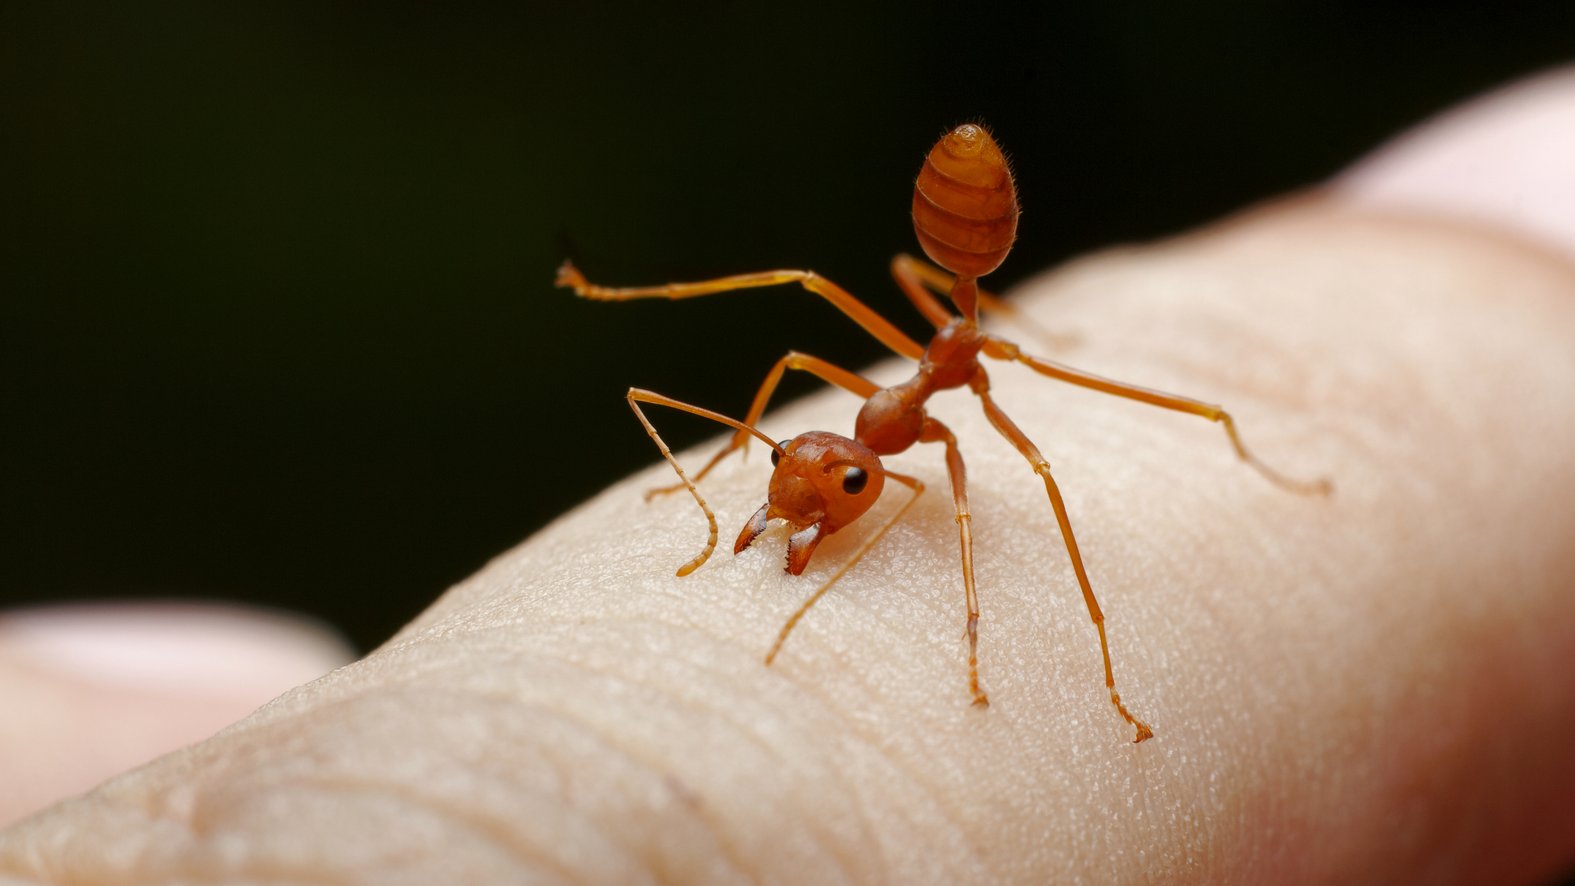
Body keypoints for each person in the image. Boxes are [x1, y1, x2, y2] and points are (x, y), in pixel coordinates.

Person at [3, 69, 1573, 883]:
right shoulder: (853, 416)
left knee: (1035, 431)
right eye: (812, 487)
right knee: (823, 322)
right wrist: (742, 478)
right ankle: (636, 310)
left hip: (963, 334)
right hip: (934, 329)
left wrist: (1026, 654)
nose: (803, 505)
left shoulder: (947, 426)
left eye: (809, 486)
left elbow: (955, 464)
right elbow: (784, 408)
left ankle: (1240, 455)